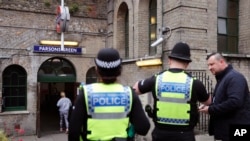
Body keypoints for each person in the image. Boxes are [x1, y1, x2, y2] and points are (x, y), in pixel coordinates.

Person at [133, 42, 211, 141]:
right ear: (187, 63)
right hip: (185, 135)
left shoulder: (156, 79)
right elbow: (208, 102)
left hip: (160, 135)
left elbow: (135, 90)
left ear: (169, 60)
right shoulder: (195, 83)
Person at [68, 48, 150, 141]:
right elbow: (143, 128)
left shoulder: (86, 94)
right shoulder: (129, 94)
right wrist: (129, 131)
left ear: (97, 70)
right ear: (119, 70)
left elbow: (73, 132)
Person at [199, 52, 250, 141]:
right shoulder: (223, 78)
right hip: (225, 131)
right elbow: (221, 101)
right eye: (208, 65)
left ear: (222, 62)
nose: (209, 68)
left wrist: (210, 109)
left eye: (211, 64)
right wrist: (209, 107)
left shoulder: (235, 77)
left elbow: (234, 102)